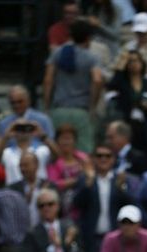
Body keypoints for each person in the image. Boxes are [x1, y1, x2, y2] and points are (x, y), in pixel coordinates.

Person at [43, 19, 104, 153]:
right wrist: (92, 106)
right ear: (88, 38)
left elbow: (48, 80)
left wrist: (46, 105)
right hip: (81, 111)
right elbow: (97, 80)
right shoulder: (92, 58)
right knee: (83, 152)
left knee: (56, 150)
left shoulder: (57, 53)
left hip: (59, 109)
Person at [107, 51, 147, 157]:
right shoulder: (122, 82)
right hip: (127, 123)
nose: (133, 63)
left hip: (146, 126)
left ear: (142, 63)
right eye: (130, 61)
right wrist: (121, 65)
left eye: (136, 60)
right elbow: (111, 85)